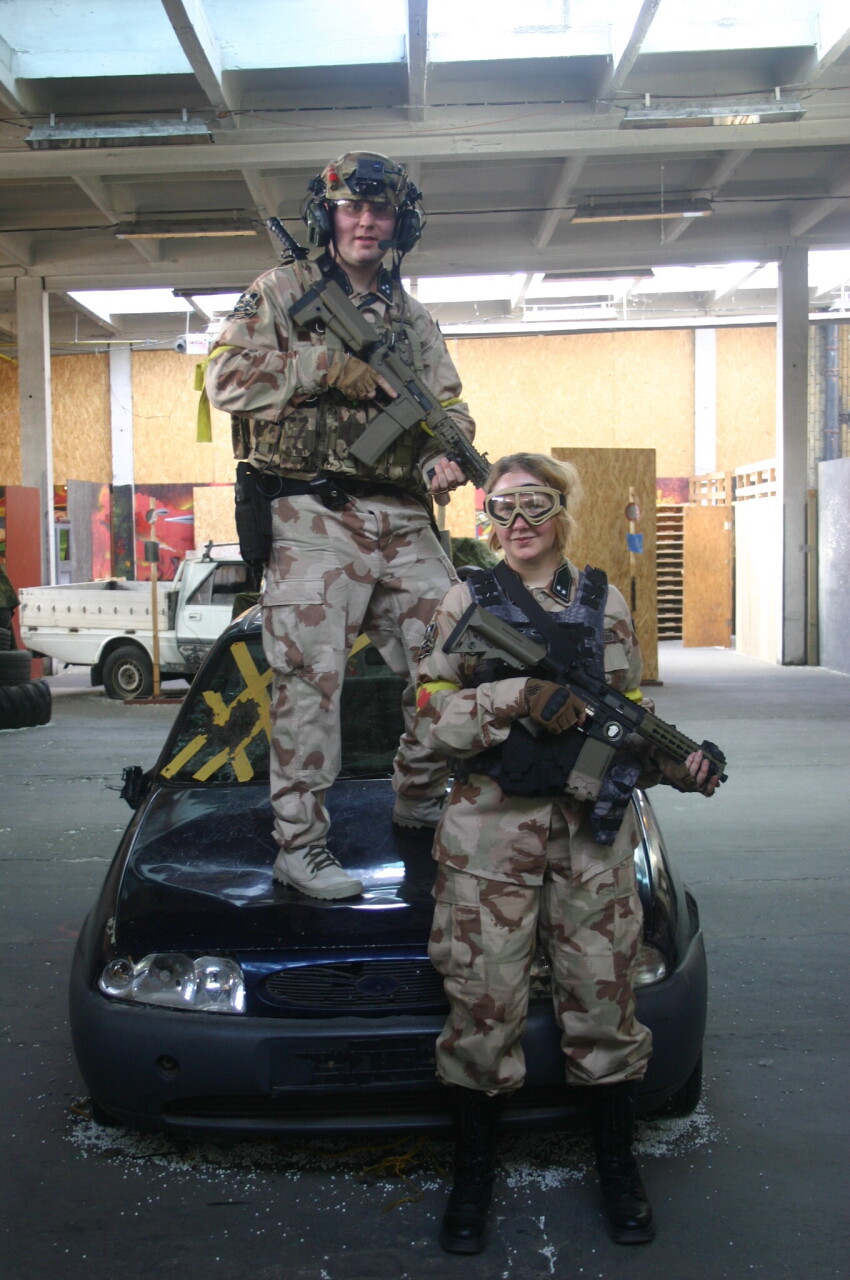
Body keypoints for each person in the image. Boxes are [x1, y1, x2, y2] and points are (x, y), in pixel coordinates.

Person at [414, 452, 718, 1253]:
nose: (518, 523)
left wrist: (679, 767)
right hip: (490, 841)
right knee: (483, 1011)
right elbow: (429, 715)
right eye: (502, 507)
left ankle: (618, 1168)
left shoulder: (604, 601)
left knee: (605, 1007)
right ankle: (473, 1178)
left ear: (562, 512)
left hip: (591, 842)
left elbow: (626, 721)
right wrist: (515, 697)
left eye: (535, 505)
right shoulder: (467, 600)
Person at [205, 152, 475, 901]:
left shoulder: (413, 319)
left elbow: (450, 407)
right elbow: (223, 378)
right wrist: (324, 366)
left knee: (456, 657)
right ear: (328, 214)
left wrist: (444, 453)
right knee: (309, 680)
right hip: (311, 512)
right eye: (353, 208)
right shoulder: (281, 290)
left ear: (399, 223)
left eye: (380, 211)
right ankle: (300, 847)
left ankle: (419, 799)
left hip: (403, 515)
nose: (366, 222)